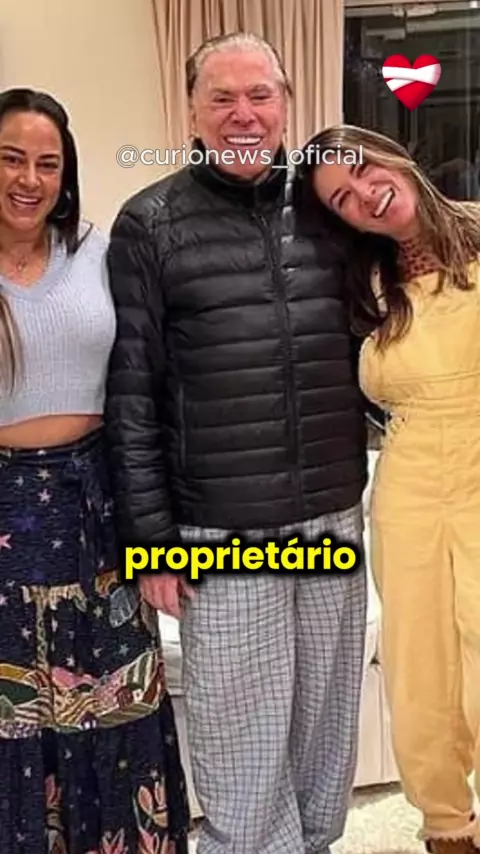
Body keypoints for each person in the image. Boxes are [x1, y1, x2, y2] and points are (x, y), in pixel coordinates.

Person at [104, 31, 369, 854]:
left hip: (331, 520)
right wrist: (151, 544)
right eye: (222, 98)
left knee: (324, 736)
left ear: (287, 104)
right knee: (242, 743)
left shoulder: (330, 208)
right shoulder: (150, 223)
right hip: (223, 534)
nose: (243, 114)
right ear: (191, 111)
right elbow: (133, 396)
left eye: (260, 95)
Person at [0, 87, 189, 854]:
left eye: (47, 163)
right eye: (11, 158)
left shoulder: (95, 250)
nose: (29, 179)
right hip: (7, 515)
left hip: (98, 505)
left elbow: (147, 373)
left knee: (117, 703)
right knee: (16, 717)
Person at [299, 122, 480, 854]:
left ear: (392, 157)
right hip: (407, 486)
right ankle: (447, 824)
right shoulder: (364, 286)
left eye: (362, 170)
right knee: (418, 663)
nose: (364, 195)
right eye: (342, 199)